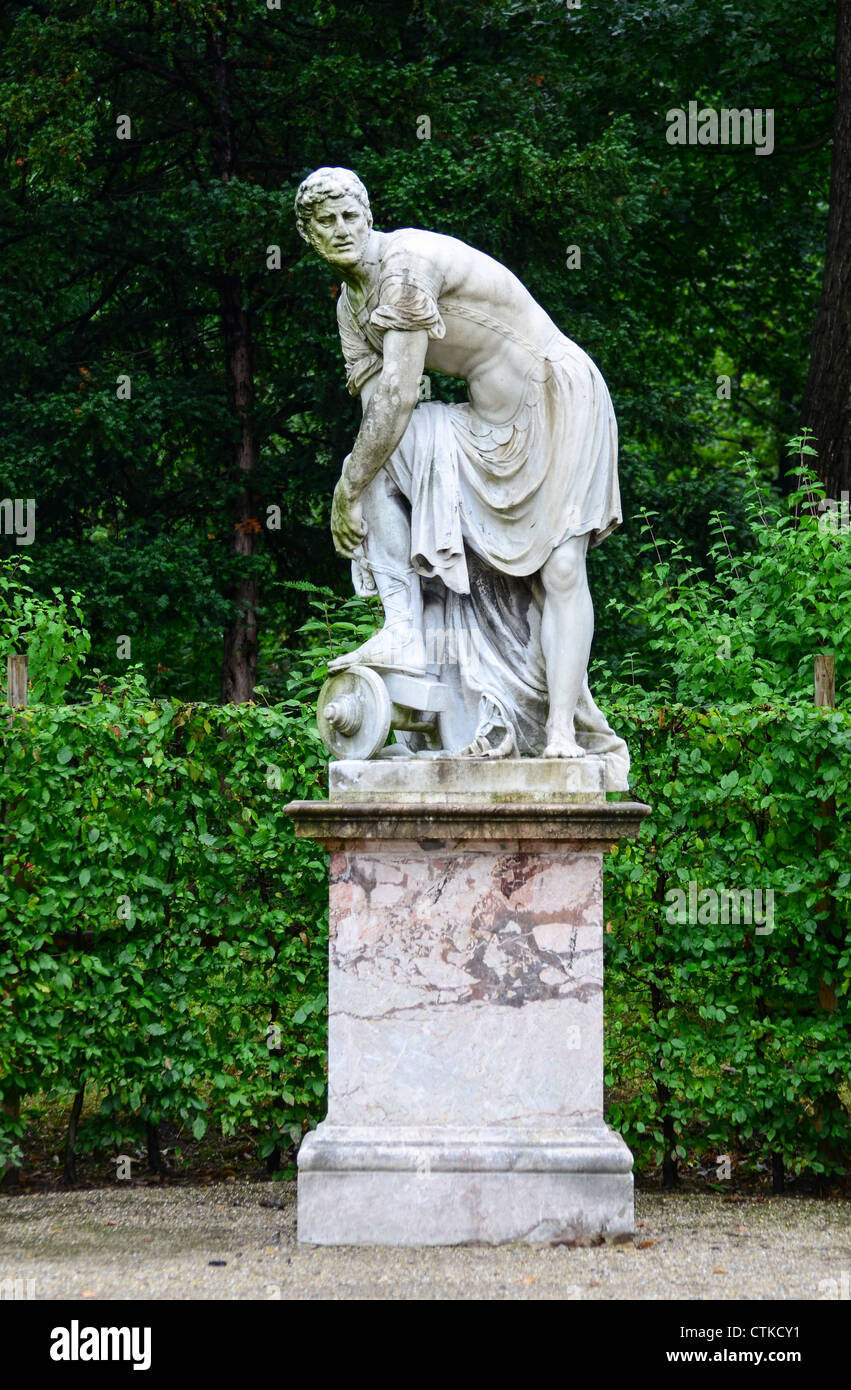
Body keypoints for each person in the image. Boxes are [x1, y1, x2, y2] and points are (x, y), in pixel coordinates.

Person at [295, 165, 628, 772]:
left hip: (555, 396)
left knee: (561, 567)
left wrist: (345, 487)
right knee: (369, 459)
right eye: (326, 221)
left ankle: (560, 732)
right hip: (480, 423)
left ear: (368, 217)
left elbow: (398, 397)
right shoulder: (351, 305)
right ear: (308, 234)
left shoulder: (404, 265)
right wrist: (357, 480)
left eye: (350, 216)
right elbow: (381, 422)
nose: (341, 229)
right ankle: (405, 632)